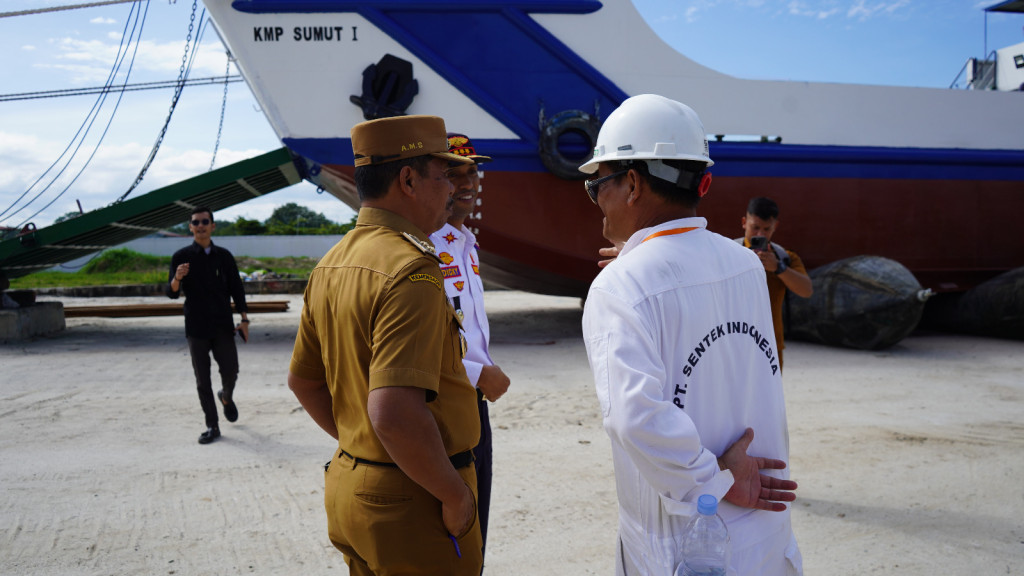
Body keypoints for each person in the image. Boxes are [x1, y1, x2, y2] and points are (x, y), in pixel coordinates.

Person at [578, 94, 802, 576]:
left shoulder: (621, 286)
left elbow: (635, 418)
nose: (597, 201)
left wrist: (714, 481)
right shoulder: (744, 264)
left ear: (632, 183)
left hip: (686, 544)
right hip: (765, 533)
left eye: (597, 186)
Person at [286, 115, 484, 576]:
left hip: (353, 487)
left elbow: (303, 382)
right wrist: (454, 495)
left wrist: (362, 451)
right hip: (413, 501)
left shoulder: (332, 263)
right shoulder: (411, 269)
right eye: (443, 177)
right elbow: (394, 413)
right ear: (409, 180)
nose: (451, 189)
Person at [429, 133, 511, 561]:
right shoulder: (424, 246)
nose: (466, 181)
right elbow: (426, 338)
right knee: (450, 523)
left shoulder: (466, 243)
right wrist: (481, 373)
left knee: (478, 515)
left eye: (472, 170)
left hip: (473, 401)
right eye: (452, 171)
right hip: (442, 403)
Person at [167, 206, 248, 445]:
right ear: (190, 227)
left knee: (231, 370)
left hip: (223, 324)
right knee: (203, 380)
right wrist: (177, 278)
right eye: (196, 222)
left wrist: (244, 319)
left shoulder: (224, 256)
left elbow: (237, 289)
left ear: (213, 226)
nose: (200, 225)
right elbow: (171, 292)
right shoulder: (181, 257)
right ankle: (212, 425)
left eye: (205, 221)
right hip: (196, 327)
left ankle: (226, 396)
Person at [735, 197, 813, 369]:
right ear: (744, 222)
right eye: (755, 227)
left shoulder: (785, 257)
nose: (760, 235)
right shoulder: (729, 253)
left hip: (770, 346)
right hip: (733, 343)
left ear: (775, 226)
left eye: (766, 229)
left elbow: (806, 290)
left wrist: (778, 268)